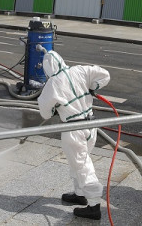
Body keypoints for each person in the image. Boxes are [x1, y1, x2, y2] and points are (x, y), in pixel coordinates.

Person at [37, 50, 110, 220]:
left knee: (82, 165)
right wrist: (93, 87)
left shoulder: (53, 84)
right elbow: (104, 75)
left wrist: (55, 108)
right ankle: (80, 194)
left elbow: (45, 112)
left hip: (73, 130)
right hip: (90, 126)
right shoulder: (80, 70)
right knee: (78, 162)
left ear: (48, 69)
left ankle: (93, 206)